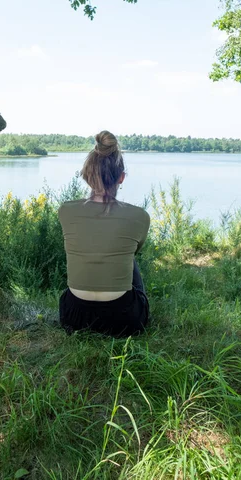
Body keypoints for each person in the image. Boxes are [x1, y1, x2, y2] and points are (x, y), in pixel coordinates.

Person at [58, 130, 150, 337]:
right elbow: (135, 251)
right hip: (124, 320)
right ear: (121, 177)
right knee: (129, 257)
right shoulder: (139, 216)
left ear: (87, 176)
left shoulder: (66, 210)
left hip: (74, 316)